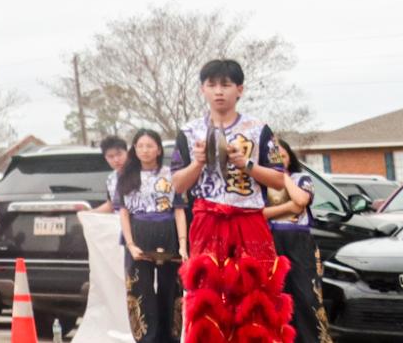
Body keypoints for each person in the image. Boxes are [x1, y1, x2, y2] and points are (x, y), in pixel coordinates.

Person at [170, 58, 291, 343]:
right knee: (207, 299)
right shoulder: (189, 133)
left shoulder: (258, 129)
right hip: (207, 222)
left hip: (249, 221)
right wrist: (198, 163)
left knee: (255, 296)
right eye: (212, 85)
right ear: (202, 90)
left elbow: (279, 180)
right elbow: (177, 184)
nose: (219, 91)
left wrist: (247, 164)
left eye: (225, 84)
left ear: (240, 89)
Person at [116, 128, 186, 343]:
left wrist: (183, 244)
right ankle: (146, 338)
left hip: (167, 235)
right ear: (134, 150)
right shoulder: (124, 176)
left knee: (170, 289)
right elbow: (124, 212)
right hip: (138, 235)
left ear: (158, 149)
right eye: (140, 146)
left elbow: (179, 209)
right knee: (140, 289)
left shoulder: (172, 174)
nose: (145, 150)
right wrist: (130, 244)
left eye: (150, 146)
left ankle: (169, 338)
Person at [266, 139, 333, 343]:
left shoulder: (301, 178)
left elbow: (302, 200)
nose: (278, 160)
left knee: (305, 295)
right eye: (273, 157)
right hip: (272, 242)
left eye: (282, 156)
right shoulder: (262, 183)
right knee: (277, 296)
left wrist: (282, 176)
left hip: (299, 242)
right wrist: (288, 208)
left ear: (290, 157)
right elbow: (259, 214)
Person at [99, 136, 130, 212]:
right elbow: (110, 205)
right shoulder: (111, 178)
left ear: (127, 153)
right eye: (111, 156)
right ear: (105, 158)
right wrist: (88, 213)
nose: (116, 160)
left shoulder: (141, 174)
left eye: (119, 154)